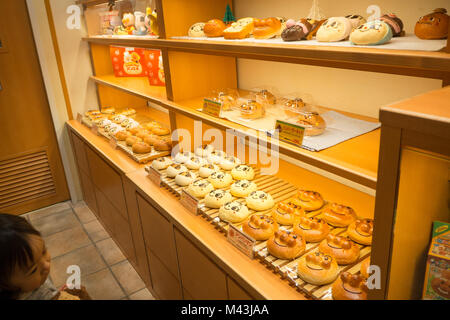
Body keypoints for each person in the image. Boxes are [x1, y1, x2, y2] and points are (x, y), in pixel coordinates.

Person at [0, 213, 57, 300]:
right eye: (33, 270)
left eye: (43, 251)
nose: (47, 265)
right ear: (6, 285)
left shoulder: (37, 277)